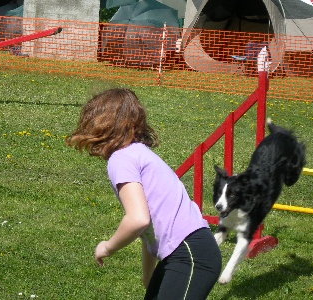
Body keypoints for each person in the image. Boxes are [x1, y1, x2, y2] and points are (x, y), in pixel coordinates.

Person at [66, 88, 221, 299]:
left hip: (191, 254)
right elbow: (149, 230)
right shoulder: (137, 153)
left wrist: (107, 247)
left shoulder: (121, 159)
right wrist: (148, 277)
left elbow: (138, 219)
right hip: (182, 253)